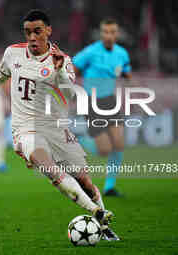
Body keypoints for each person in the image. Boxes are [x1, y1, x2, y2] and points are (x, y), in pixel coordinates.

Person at [0, 10, 119, 241]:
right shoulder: (13, 53)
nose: (32, 37)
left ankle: (103, 225)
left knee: (85, 181)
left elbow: (71, 94)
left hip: (55, 127)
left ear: (49, 31)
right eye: (28, 32)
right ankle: (96, 212)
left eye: (37, 31)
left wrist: (61, 70)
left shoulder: (62, 60)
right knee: (49, 167)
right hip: (25, 128)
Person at [73, 19, 132, 196]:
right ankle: (79, 141)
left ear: (117, 34)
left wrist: (130, 80)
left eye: (112, 32)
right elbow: (72, 69)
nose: (109, 36)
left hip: (110, 101)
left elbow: (127, 73)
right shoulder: (90, 52)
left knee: (119, 144)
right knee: (104, 150)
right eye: (106, 32)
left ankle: (109, 186)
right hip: (91, 103)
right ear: (101, 34)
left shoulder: (122, 53)